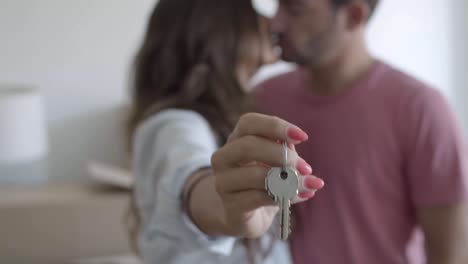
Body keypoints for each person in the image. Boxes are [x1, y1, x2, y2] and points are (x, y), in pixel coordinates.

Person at [211, 0, 468, 263]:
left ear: (354, 15)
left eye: (295, 9)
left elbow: (452, 254)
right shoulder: (262, 101)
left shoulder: (420, 110)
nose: (275, 22)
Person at [127, 0, 324, 263]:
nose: (271, 23)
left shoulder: (230, 114)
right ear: (217, 32)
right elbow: (192, 178)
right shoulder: (174, 125)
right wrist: (226, 206)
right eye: (251, 14)